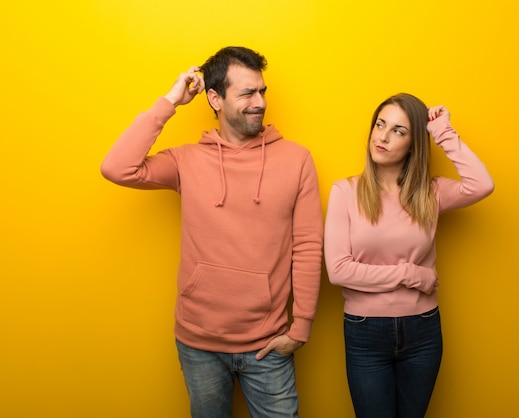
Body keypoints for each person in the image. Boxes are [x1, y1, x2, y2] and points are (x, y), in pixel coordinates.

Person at [100, 46, 323, 418]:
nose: (260, 102)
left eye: (262, 91)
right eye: (247, 93)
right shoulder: (186, 161)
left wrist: (301, 326)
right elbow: (117, 168)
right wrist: (171, 100)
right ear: (215, 99)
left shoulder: (296, 160)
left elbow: (308, 246)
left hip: (268, 343)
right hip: (198, 344)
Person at [323, 93, 494, 418]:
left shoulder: (431, 193)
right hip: (365, 330)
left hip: (423, 330)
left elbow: (482, 185)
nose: (382, 137)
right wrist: (411, 274)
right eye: (380, 125)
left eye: (398, 131)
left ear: (414, 144)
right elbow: (339, 271)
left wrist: (443, 131)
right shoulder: (345, 191)